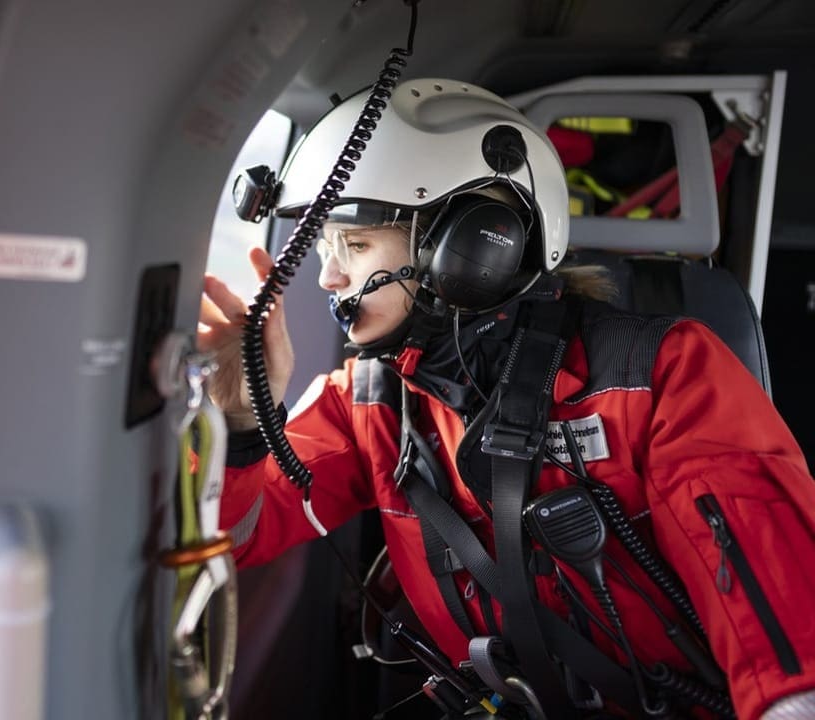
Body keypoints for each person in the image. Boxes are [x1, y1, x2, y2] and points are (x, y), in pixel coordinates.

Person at [197, 78, 815, 719]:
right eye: (323, 247)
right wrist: (241, 421)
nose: (327, 278)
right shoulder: (369, 403)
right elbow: (234, 538)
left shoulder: (663, 373)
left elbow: (781, 621)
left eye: (352, 246)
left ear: (472, 247)